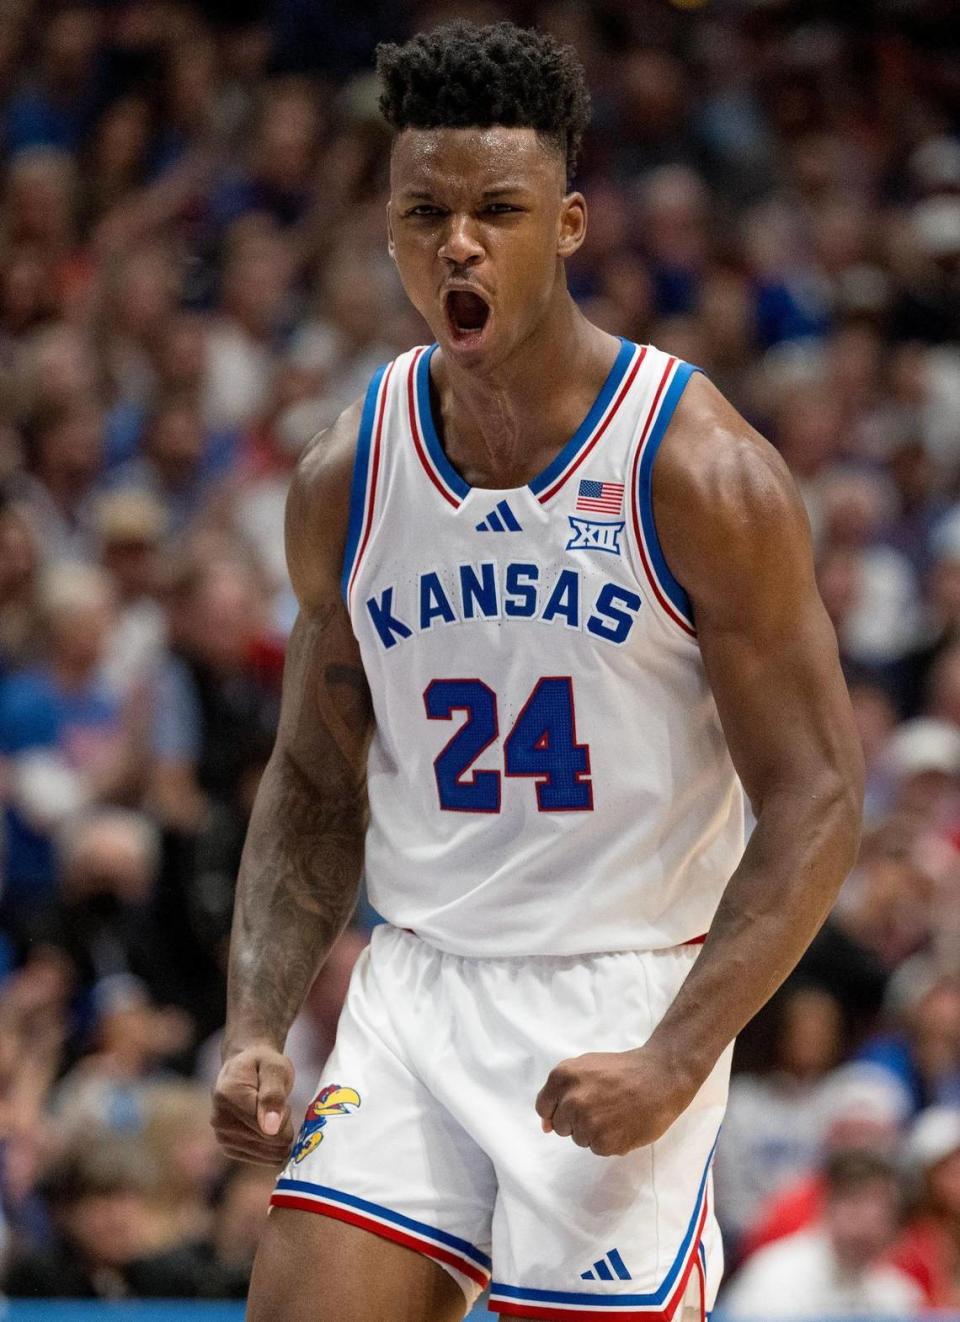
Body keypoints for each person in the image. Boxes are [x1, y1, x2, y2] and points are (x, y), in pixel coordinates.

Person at [211, 21, 863, 1322]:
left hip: (622, 990)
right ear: (389, 229)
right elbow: (314, 775)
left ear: (566, 225)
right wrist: (253, 1021)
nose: (458, 240)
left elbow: (820, 797)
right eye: (425, 210)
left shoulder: (697, 470)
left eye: (497, 210)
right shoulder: (350, 475)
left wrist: (677, 1056)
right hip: (417, 985)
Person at [721, 1149, 923, 1318]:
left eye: (882, 1211)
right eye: (855, 1205)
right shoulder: (777, 1276)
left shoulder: (897, 1294)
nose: (868, 1223)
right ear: (826, 1206)